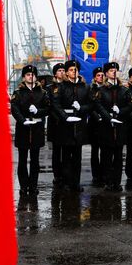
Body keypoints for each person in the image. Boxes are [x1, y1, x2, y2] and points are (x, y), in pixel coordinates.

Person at [51, 60, 91, 192]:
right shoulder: (61, 87)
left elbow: (91, 104)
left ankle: (76, 182)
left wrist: (81, 108)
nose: (74, 72)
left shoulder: (85, 87)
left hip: (79, 124)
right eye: (71, 70)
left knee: (77, 157)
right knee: (66, 156)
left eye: (76, 70)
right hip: (65, 124)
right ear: (67, 72)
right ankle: (67, 182)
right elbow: (56, 105)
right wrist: (66, 116)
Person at [11, 65, 50, 196]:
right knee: (22, 159)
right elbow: (15, 109)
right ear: (23, 77)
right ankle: (23, 186)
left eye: (32, 74)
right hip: (23, 128)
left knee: (35, 160)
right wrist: (23, 120)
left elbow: (48, 109)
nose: (31, 76)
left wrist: (38, 111)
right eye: (28, 74)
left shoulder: (42, 93)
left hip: (37, 129)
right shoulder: (18, 93)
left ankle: (33, 186)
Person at [95, 62, 132, 192]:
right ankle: (107, 181)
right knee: (106, 155)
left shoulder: (124, 90)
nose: (114, 72)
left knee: (118, 156)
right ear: (106, 73)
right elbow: (98, 106)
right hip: (106, 126)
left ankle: (117, 181)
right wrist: (109, 117)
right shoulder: (101, 90)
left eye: (116, 70)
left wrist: (120, 112)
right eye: (111, 70)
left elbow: (130, 105)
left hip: (120, 125)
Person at [46, 62, 65, 186]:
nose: (62, 72)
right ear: (55, 73)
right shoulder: (49, 88)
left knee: (67, 151)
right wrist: (58, 117)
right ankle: (57, 175)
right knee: (57, 151)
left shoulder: (68, 86)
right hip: (55, 122)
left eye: (63, 70)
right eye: (59, 70)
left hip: (67, 122)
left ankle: (65, 174)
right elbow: (50, 105)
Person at [89, 66, 105, 186]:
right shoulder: (91, 89)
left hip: (105, 121)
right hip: (94, 123)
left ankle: (103, 173)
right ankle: (96, 175)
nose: (101, 77)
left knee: (104, 150)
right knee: (95, 150)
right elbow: (91, 106)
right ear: (94, 77)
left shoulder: (106, 89)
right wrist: (97, 117)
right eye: (98, 75)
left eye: (102, 75)